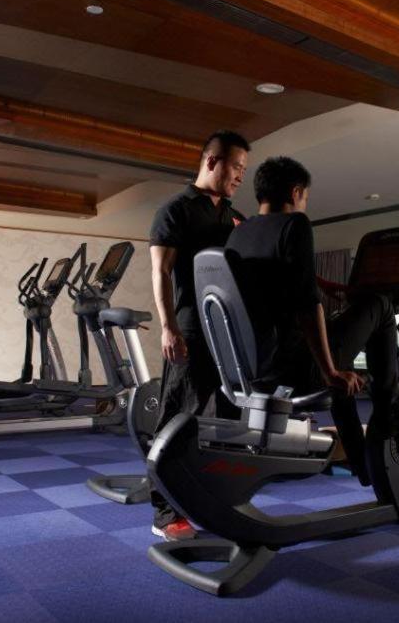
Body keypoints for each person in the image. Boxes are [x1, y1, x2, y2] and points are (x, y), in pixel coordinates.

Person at [225, 156, 399, 481]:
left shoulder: (240, 233)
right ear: (296, 192)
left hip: (256, 371)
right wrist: (329, 372)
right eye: (305, 197)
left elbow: (277, 282)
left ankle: (363, 464)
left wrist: (326, 287)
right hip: (299, 370)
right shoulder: (295, 224)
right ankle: (388, 415)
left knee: (337, 357)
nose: (304, 203)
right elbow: (307, 306)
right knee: (381, 305)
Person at [147, 130, 250, 541]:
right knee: (178, 416)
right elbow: (161, 271)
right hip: (191, 326)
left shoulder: (234, 216)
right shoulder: (176, 210)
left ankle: (219, 498)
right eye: (235, 166)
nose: (240, 175)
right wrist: (169, 326)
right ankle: (165, 511)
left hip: (229, 331)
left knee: (230, 416)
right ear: (211, 161)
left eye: (244, 169)